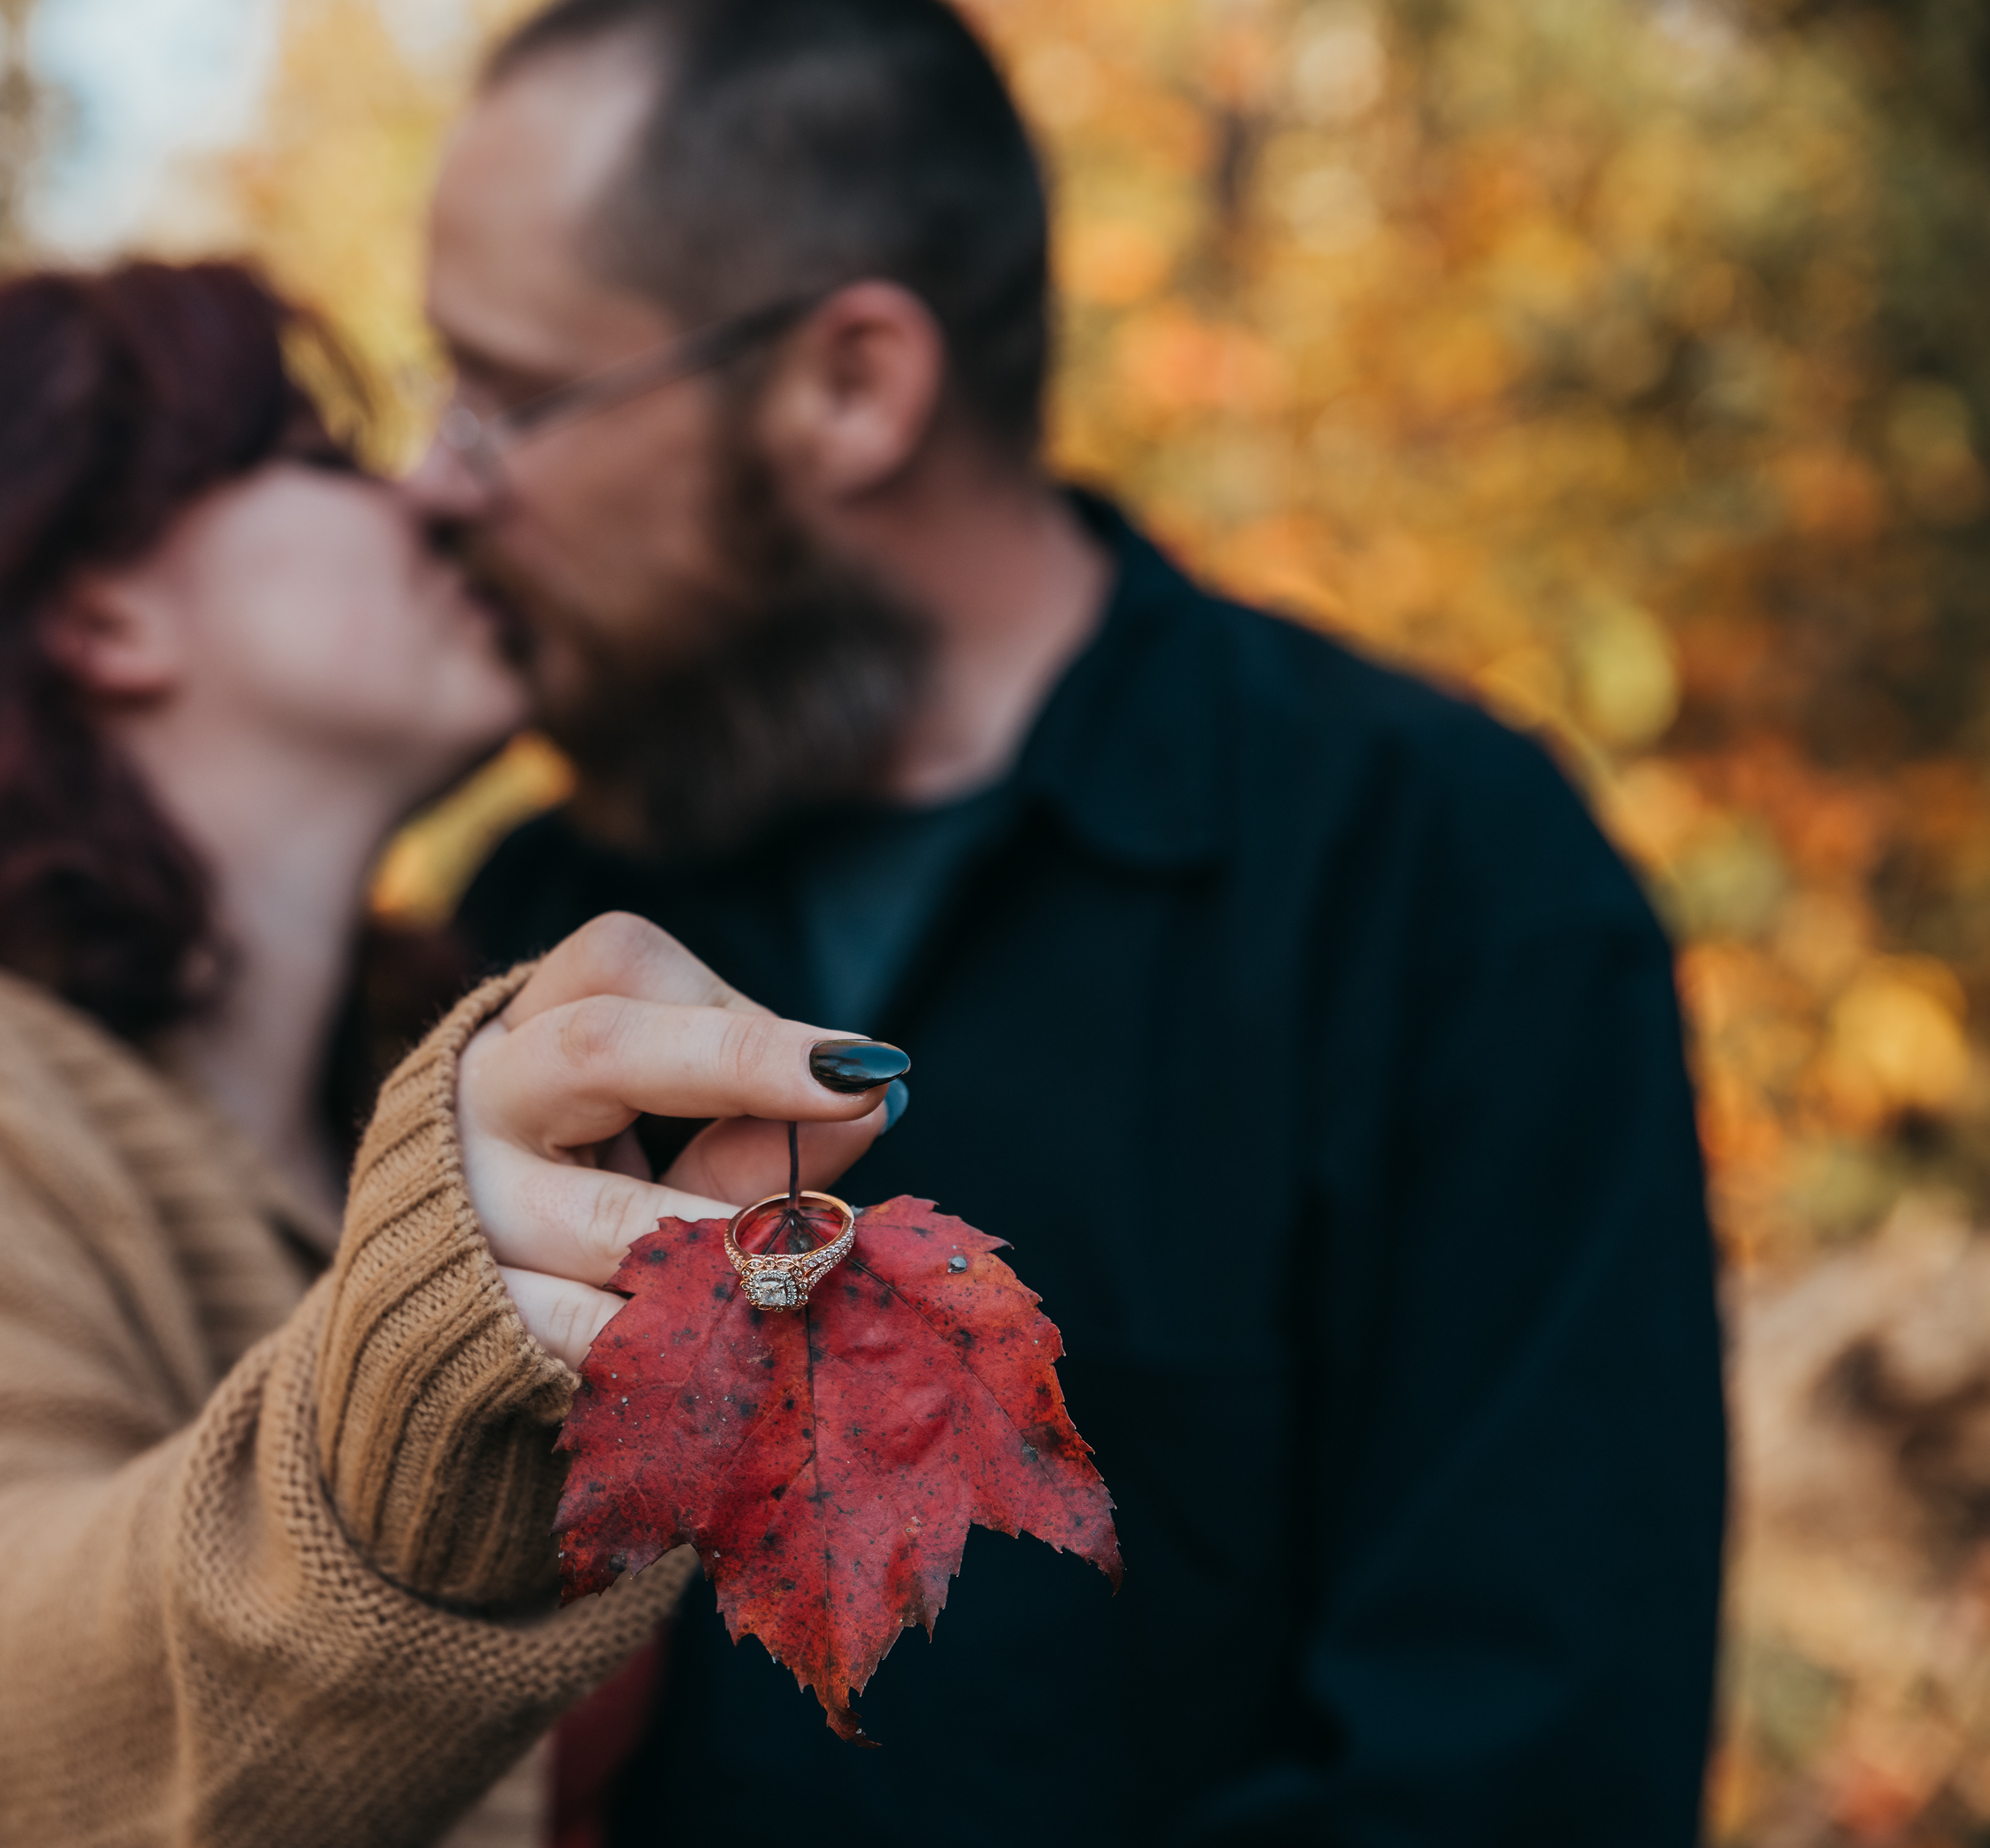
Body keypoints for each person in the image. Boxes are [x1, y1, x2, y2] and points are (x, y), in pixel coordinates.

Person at [413, 1, 1729, 1841]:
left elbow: (1527, 1761)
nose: (438, 479)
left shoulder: (1441, 885)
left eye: (512, 394)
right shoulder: (545, 921)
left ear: (851, 387)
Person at [0, 260, 905, 1847]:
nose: (450, 488)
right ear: (99, 609)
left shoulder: (381, 1084)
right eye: (326, 459)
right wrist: (413, 1424)